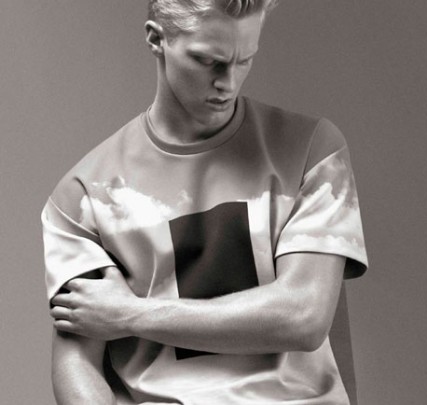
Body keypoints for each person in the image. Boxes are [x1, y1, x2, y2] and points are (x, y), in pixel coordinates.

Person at [42, 1, 368, 404]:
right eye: (208, 61)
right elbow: (77, 364)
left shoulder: (311, 149)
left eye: (244, 61)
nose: (228, 83)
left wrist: (130, 314)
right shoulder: (84, 195)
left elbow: (303, 316)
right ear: (156, 39)